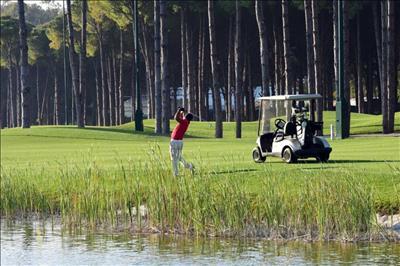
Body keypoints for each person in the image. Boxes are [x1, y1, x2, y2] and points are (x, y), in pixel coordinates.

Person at [170, 107, 194, 176]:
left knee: (174, 158)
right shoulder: (186, 122)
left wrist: (179, 110)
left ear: (186, 117)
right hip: (179, 142)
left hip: (175, 142)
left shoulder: (184, 121)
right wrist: (181, 111)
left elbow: (176, 118)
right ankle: (190, 166)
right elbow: (181, 117)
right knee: (179, 157)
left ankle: (176, 174)